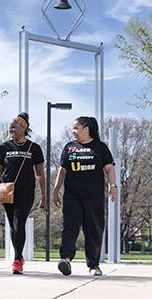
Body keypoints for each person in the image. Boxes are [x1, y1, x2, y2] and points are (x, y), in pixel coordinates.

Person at [52, 116, 118, 276]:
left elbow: (109, 168)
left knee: (94, 230)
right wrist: (55, 191)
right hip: (72, 196)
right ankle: (65, 260)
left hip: (93, 196)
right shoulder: (69, 147)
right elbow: (62, 171)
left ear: (86, 129)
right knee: (69, 228)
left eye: (76, 128)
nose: (72, 131)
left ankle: (94, 265)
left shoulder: (100, 147)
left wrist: (113, 186)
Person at [0, 112, 46, 274]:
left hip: (26, 190)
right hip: (5, 190)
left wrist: (43, 197)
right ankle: (18, 256)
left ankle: (16, 260)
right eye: (10, 127)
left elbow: (40, 173)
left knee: (18, 223)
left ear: (24, 128)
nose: (11, 129)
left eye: (14, 126)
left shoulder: (33, 148)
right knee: (13, 227)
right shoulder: (4, 147)